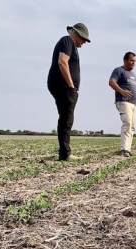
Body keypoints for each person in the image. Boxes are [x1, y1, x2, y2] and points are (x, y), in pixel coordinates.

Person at [47, 23, 90, 161]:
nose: (83, 43)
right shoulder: (67, 40)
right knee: (67, 119)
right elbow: (62, 62)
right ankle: (65, 154)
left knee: (66, 118)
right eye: (83, 39)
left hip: (64, 86)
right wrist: (71, 86)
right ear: (77, 34)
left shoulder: (69, 43)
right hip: (64, 87)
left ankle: (64, 152)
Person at [109, 52, 136, 157]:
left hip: (133, 103)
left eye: (135, 61)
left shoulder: (133, 75)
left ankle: (128, 149)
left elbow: (134, 91)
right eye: (131, 60)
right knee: (127, 124)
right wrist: (122, 91)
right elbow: (111, 82)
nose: (134, 63)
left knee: (132, 126)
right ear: (125, 60)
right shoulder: (119, 70)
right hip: (123, 101)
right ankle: (124, 149)